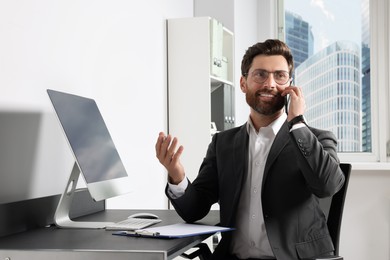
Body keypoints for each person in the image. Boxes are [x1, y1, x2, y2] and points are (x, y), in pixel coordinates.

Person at [155, 39, 345, 260]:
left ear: (291, 86)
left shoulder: (316, 138)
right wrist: (177, 175)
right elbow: (194, 210)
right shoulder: (222, 143)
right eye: (260, 75)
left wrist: (298, 123)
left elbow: (328, 186)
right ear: (243, 83)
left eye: (280, 76)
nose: (270, 84)